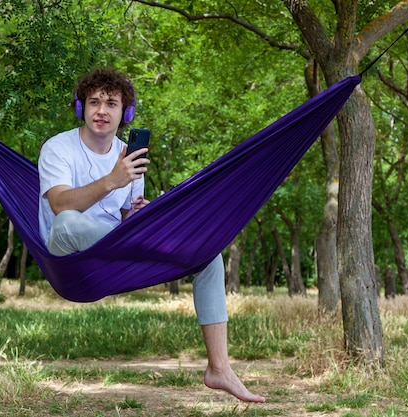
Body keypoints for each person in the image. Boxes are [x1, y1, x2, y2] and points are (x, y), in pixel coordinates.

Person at [38, 67, 265, 403]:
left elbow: (126, 217)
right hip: (67, 254)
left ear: (125, 113)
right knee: (69, 220)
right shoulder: (58, 148)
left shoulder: (131, 158)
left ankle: (219, 368)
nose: (102, 110)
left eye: (112, 103)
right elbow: (59, 205)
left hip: (114, 252)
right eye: (94, 102)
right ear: (81, 107)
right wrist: (113, 180)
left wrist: (140, 218)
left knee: (209, 257)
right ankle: (150, 252)